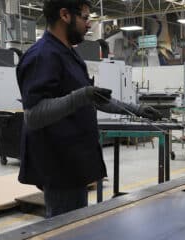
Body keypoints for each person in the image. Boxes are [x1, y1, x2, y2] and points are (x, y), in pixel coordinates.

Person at [16, 0, 161, 218]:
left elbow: (94, 99)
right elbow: (34, 115)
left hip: (75, 160)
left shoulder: (70, 54)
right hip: (59, 165)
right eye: (85, 18)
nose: (89, 24)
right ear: (65, 15)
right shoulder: (42, 56)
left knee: (77, 223)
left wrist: (136, 109)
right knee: (67, 228)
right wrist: (81, 96)